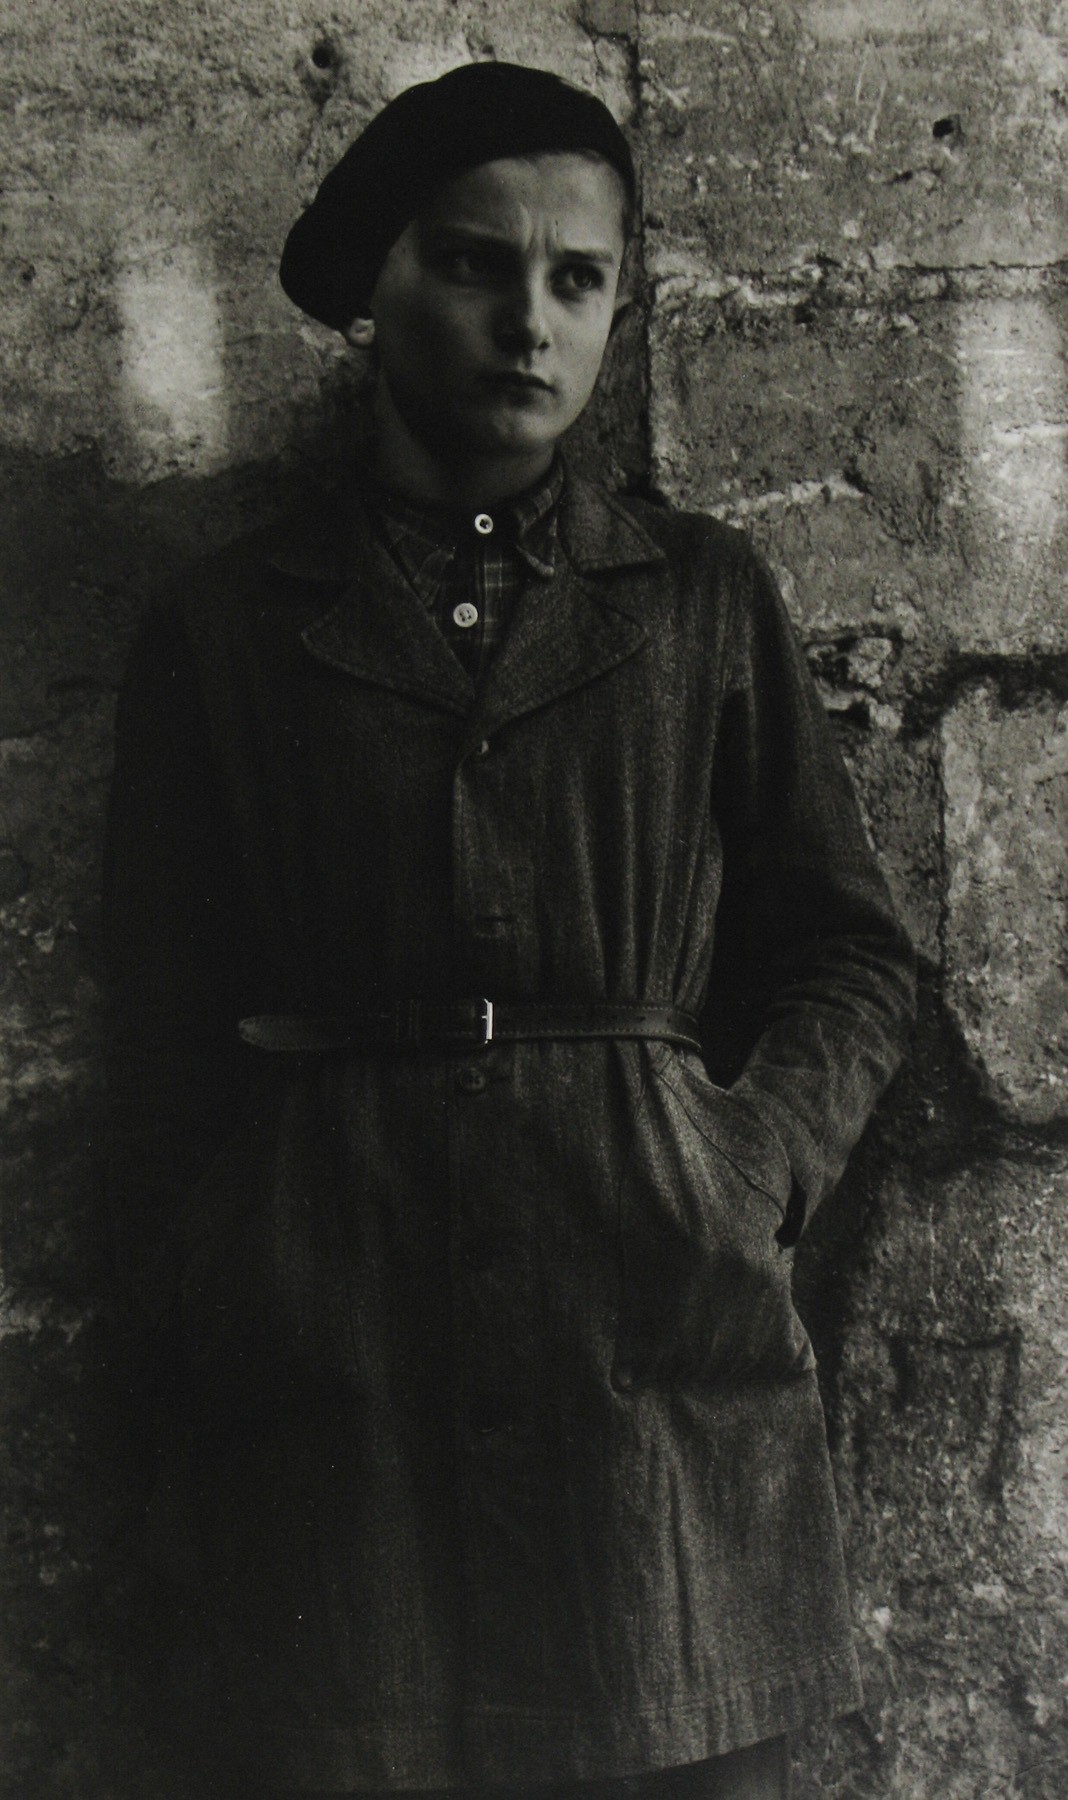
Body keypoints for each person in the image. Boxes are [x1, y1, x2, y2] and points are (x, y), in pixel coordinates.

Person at [103, 59, 916, 1800]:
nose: (527, 323)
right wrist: (227, 1256)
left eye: (578, 280)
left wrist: (745, 1169)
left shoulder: (701, 598)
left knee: (673, 1741)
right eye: (475, 264)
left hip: (646, 1327)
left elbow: (850, 951)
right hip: (337, 1341)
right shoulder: (228, 627)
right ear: (373, 285)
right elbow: (160, 1015)